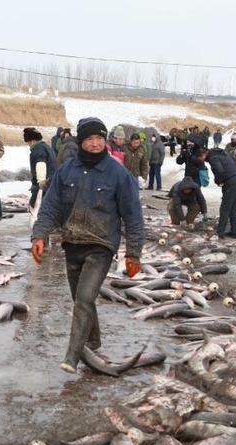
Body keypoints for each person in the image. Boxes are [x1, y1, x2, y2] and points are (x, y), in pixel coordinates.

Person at [31, 117, 144, 374]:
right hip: (72, 242)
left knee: (84, 298)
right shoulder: (66, 170)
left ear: (105, 141)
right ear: (81, 141)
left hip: (102, 245)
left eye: (99, 139)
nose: (95, 144)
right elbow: (50, 206)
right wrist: (40, 236)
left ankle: (72, 356)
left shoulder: (118, 174)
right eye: (90, 139)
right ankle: (93, 340)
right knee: (81, 299)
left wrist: (134, 253)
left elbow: (133, 214)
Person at [204, 148, 236, 239]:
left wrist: (218, 180)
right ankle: (235, 232)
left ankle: (220, 232)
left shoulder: (213, 158)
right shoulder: (223, 155)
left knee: (224, 208)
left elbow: (220, 171)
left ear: (206, 154)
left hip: (231, 182)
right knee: (232, 208)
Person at [23, 127, 56, 208]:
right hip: (51, 183)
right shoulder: (46, 147)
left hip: (44, 186)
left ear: (32, 141)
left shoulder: (38, 149)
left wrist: (41, 181)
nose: (29, 145)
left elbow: (41, 164)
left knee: (34, 207)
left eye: (28, 142)